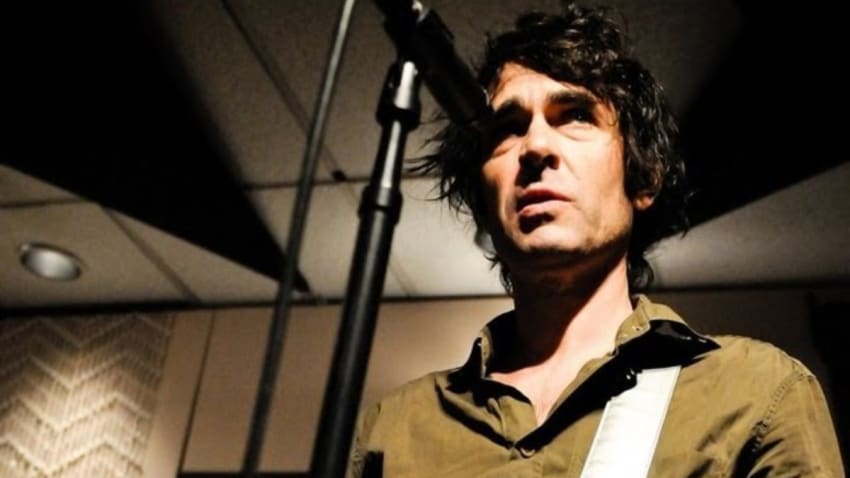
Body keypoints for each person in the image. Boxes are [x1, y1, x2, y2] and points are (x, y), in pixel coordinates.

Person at [347, 3, 845, 477]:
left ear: (643, 178)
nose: (535, 146)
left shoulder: (755, 393)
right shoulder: (394, 429)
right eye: (507, 128)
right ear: (482, 195)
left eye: (576, 115)